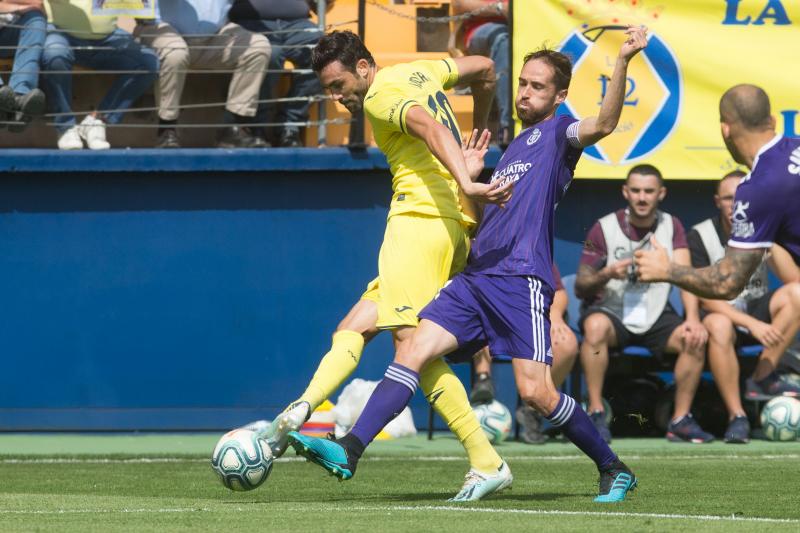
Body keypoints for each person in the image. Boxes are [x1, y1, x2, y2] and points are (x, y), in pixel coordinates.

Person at [288, 26, 649, 504]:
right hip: (478, 276)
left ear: (560, 96)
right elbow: (486, 217)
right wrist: (473, 177)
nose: (524, 93)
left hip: (521, 278)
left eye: (537, 86)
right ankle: (349, 450)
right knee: (413, 350)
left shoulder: (562, 133)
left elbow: (602, 123)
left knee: (537, 392)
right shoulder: (513, 149)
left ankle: (612, 467)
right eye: (522, 83)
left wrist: (622, 60)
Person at [251, 30, 515, 502]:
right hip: (445, 222)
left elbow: (429, 128)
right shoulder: (418, 71)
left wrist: (470, 182)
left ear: (365, 69)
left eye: (339, 85)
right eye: (328, 89)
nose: (335, 99)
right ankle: (298, 410)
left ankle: (486, 460)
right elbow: (485, 68)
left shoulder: (381, 96)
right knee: (354, 326)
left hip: (420, 222)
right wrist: (482, 131)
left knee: (413, 345)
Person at [635, 84, 800, 399]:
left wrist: (667, 270)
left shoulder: (759, 187)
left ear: (725, 130)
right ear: (774, 121)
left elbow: (726, 283)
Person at [575, 164, 711, 444]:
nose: (641, 197)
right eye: (635, 190)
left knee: (694, 337)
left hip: (657, 312)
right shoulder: (604, 227)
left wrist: (694, 318)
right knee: (595, 327)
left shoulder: (672, 226)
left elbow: (687, 278)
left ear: (661, 193)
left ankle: (680, 419)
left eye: (649, 191)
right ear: (625, 192)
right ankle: (597, 411)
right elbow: (580, 286)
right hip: (612, 311)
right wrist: (607, 273)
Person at [688, 170, 800, 444]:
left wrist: (769, 241)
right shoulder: (700, 234)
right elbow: (702, 295)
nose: (735, 205)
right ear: (717, 201)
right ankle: (736, 416)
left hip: (754, 306)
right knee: (719, 324)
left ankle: (760, 378)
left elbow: (793, 280)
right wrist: (752, 324)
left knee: (798, 294)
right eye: (729, 198)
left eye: (741, 198)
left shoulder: (762, 229)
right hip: (719, 311)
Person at [136, 0, 271, 148]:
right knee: (175, 53)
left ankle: (234, 128)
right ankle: (166, 129)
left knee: (258, 47)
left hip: (215, 36)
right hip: (162, 29)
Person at [468, 264, 579, 444]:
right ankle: (483, 380)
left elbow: (558, 291)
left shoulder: (533, 247)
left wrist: (556, 316)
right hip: (493, 315)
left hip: (529, 317)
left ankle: (533, 408)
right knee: (479, 316)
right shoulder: (478, 246)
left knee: (566, 342)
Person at [41, 0, 159, 150]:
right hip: (61, 33)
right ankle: (65, 127)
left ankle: (98, 121)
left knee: (148, 63)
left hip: (108, 36)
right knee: (54, 56)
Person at [229, 0, 329, 147]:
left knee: (326, 51)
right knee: (270, 54)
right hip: (252, 24)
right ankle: (257, 128)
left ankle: (289, 125)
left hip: (298, 24)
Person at [450, 0, 510, 145]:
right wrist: (501, 8)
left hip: (528, 29)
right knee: (504, 42)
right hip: (483, 29)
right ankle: (508, 129)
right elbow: (459, 4)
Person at [0, 0, 47, 132]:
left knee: (35, 19)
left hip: (8, 29)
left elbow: (37, 3)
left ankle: (19, 97)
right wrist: (17, 7)